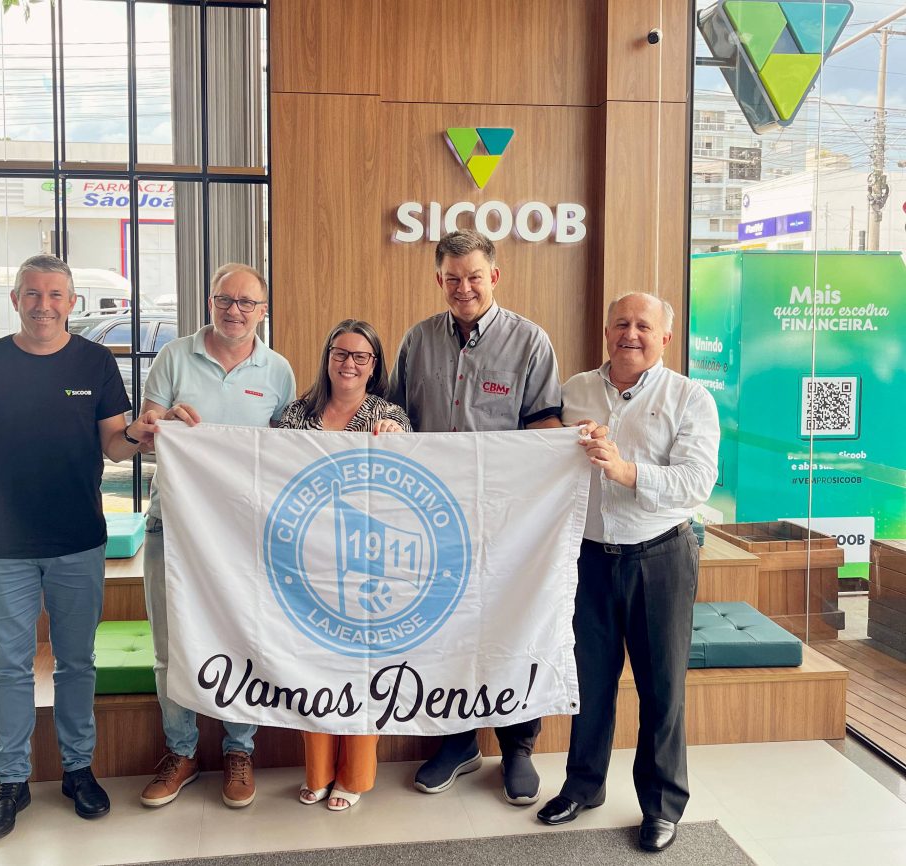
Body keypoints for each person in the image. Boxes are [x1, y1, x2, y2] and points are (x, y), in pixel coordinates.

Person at [0, 254, 156, 841]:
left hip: (78, 541)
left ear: (72, 303)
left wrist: (140, 434)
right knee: (10, 668)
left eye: (55, 294)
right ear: (15, 300)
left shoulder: (95, 361)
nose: (44, 305)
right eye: (33, 294)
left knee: (77, 663)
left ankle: (77, 771)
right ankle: (11, 782)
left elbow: (114, 445)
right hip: (2, 543)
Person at [388, 228, 566, 806]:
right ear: (439, 280)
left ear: (495, 276)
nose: (463, 288)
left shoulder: (530, 341)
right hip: (432, 517)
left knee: (514, 624)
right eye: (452, 278)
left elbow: (545, 426)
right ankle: (458, 741)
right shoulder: (417, 341)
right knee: (443, 627)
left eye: (474, 277)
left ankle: (517, 747)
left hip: (507, 520)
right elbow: (397, 419)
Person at [536, 292, 720, 852]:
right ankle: (583, 786)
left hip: (660, 556)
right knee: (589, 681)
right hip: (587, 558)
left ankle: (662, 806)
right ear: (606, 331)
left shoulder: (690, 397)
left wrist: (625, 471)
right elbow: (545, 455)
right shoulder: (575, 390)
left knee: (661, 687)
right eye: (621, 323)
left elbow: (697, 483)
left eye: (643, 326)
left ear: (665, 337)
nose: (630, 334)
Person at [136, 263, 296, 810]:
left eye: (247, 303)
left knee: (242, 638)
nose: (235, 310)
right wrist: (159, 423)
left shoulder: (277, 371)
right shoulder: (174, 357)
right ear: (210, 303)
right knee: (169, 645)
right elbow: (145, 433)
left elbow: (283, 453)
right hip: (173, 524)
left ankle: (239, 750)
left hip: (243, 532)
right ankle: (181, 752)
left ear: (262, 311)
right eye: (225, 299)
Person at [277, 318, 411, 811]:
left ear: (374, 365)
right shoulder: (296, 414)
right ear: (327, 357)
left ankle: (354, 776)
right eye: (340, 353)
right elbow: (269, 476)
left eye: (360, 356)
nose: (349, 363)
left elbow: (408, 479)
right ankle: (318, 771)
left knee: (360, 667)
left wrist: (396, 437)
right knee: (313, 666)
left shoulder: (389, 415)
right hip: (306, 560)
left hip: (366, 564)